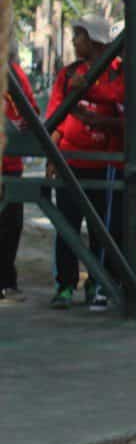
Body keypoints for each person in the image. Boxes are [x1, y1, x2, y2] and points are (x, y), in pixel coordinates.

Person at [45, 13, 126, 311]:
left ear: (93, 41)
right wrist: (51, 157)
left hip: (104, 164)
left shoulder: (118, 73)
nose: (74, 40)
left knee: (99, 231)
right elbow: (54, 117)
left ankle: (97, 283)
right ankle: (65, 285)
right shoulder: (67, 75)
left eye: (78, 35)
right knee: (66, 225)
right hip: (69, 161)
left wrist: (99, 117)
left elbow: (122, 111)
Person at [1, 52, 37, 301]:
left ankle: (6, 280)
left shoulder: (14, 73)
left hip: (9, 163)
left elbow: (31, 110)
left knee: (10, 223)